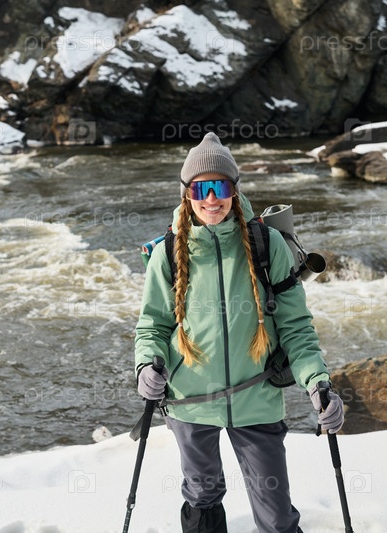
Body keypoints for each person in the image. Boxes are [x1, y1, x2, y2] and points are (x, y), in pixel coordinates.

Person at [134, 132, 344, 533]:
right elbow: (153, 325)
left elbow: (296, 327)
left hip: (257, 399)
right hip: (189, 402)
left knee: (277, 516)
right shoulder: (168, 252)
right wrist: (146, 365)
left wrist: (317, 382)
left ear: (235, 189)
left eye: (222, 187)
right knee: (202, 498)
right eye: (202, 189)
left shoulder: (267, 245)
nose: (212, 199)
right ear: (187, 193)